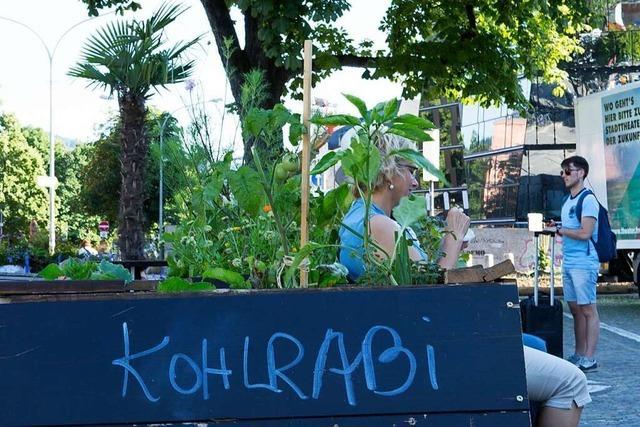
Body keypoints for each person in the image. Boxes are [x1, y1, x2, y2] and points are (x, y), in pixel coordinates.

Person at [339, 133, 590, 427]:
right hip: (430, 350)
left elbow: (420, 284)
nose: (416, 182)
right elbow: (433, 296)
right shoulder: (379, 224)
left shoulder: (363, 219)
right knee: (572, 382)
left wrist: (452, 246)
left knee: (536, 344)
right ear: (389, 170)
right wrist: (454, 236)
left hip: (416, 341)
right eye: (411, 170)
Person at [547, 156, 600, 372]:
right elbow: (570, 228)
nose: (563, 175)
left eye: (567, 171)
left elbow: (585, 233)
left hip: (584, 262)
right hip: (569, 261)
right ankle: (579, 354)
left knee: (588, 309)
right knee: (576, 309)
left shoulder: (588, 200)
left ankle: (590, 357)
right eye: (562, 172)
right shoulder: (567, 200)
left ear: (581, 173)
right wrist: (558, 226)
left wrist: (560, 230)